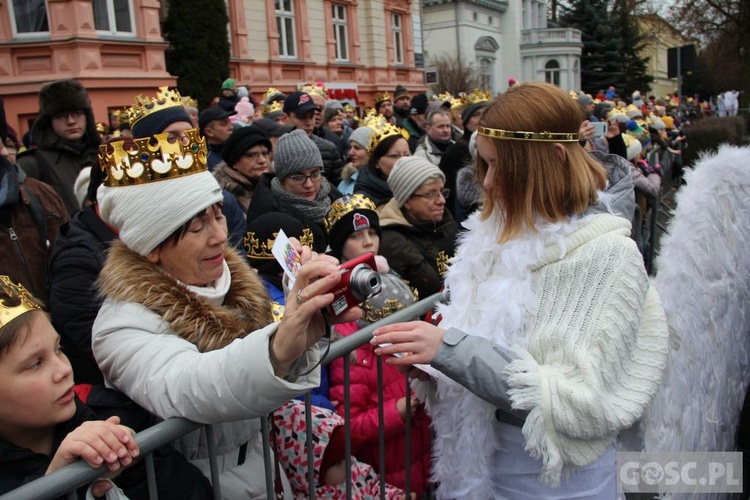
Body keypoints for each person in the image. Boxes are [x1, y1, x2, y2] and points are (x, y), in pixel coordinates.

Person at [372, 82, 669, 499]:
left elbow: (583, 401)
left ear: (550, 162)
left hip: (558, 483)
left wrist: (453, 351)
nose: (488, 183)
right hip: (484, 470)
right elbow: (487, 347)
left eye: (499, 167)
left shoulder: (607, 255)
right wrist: (438, 368)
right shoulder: (493, 236)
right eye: (484, 165)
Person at [91, 129, 361, 498]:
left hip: (265, 471)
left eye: (218, 215)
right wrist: (279, 345)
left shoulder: (237, 287)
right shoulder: (121, 325)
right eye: (197, 226)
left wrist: (309, 316)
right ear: (150, 247)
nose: (219, 235)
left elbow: (274, 382)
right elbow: (191, 384)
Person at [0, 276, 213, 499]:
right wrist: (56, 489)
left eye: (59, 349)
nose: (63, 369)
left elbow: (198, 492)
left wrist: (132, 468)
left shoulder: (114, 415)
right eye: (35, 364)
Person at [324, 194, 431, 495]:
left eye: (372, 233)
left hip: (420, 449)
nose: (368, 242)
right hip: (385, 466)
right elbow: (350, 423)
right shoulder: (346, 329)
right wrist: (396, 411)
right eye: (356, 237)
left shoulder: (391, 277)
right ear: (340, 245)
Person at [272, 400, 411, 499]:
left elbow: (375, 487)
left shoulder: (354, 471)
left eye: (348, 453)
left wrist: (396, 496)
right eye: (338, 462)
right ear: (308, 474)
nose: (351, 462)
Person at [1, 115, 69, 304]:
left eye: (2, 144)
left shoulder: (42, 193)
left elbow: (73, 261)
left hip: (57, 322)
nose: (5, 152)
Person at [246, 129, 342, 254]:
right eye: (298, 177)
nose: (309, 184)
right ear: (282, 179)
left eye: (315, 174)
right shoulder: (267, 214)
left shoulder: (335, 197)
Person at [17, 79, 101, 215]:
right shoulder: (32, 163)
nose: (71, 121)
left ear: (87, 116)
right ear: (49, 121)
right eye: (61, 116)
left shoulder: (104, 155)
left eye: (76, 114)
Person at [378, 157, 458, 299]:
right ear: (407, 201)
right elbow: (431, 286)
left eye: (441, 191)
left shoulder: (444, 219)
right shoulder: (392, 241)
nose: (442, 200)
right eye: (430, 194)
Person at [213, 127, 272, 216]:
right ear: (234, 163)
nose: (262, 160)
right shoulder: (222, 198)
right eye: (252, 155)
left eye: (265, 153)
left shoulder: (281, 185)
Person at [354, 118, 410, 207]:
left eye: (407, 155)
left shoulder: (417, 187)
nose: (403, 161)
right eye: (394, 156)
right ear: (376, 162)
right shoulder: (363, 200)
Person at [337, 125, 375, 195]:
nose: (350, 153)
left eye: (357, 148)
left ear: (371, 152)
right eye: (350, 147)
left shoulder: (377, 185)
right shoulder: (347, 180)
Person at [199, 106, 237, 171]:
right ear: (209, 132)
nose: (231, 127)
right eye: (224, 124)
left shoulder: (237, 150)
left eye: (230, 122)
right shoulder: (207, 162)